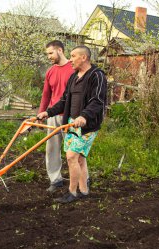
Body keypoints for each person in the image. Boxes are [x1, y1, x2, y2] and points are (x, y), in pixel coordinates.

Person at [37, 45, 107, 203]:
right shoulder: (74, 77)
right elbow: (63, 101)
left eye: (74, 56)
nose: (70, 59)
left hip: (86, 125)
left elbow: (97, 101)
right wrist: (48, 112)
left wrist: (84, 116)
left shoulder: (97, 76)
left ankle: (72, 192)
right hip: (71, 123)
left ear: (84, 57)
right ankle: (83, 190)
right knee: (80, 158)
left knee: (71, 157)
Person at [38, 40, 74, 193]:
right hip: (53, 115)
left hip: (70, 116)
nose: (49, 57)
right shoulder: (51, 71)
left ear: (60, 50)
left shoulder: (73, 68)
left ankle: (80, 179)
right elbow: (46, 94)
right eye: (47, 54)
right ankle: (55, 179)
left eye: (50, 53)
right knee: (51, 149)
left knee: (74, 151)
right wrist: (41, 113)